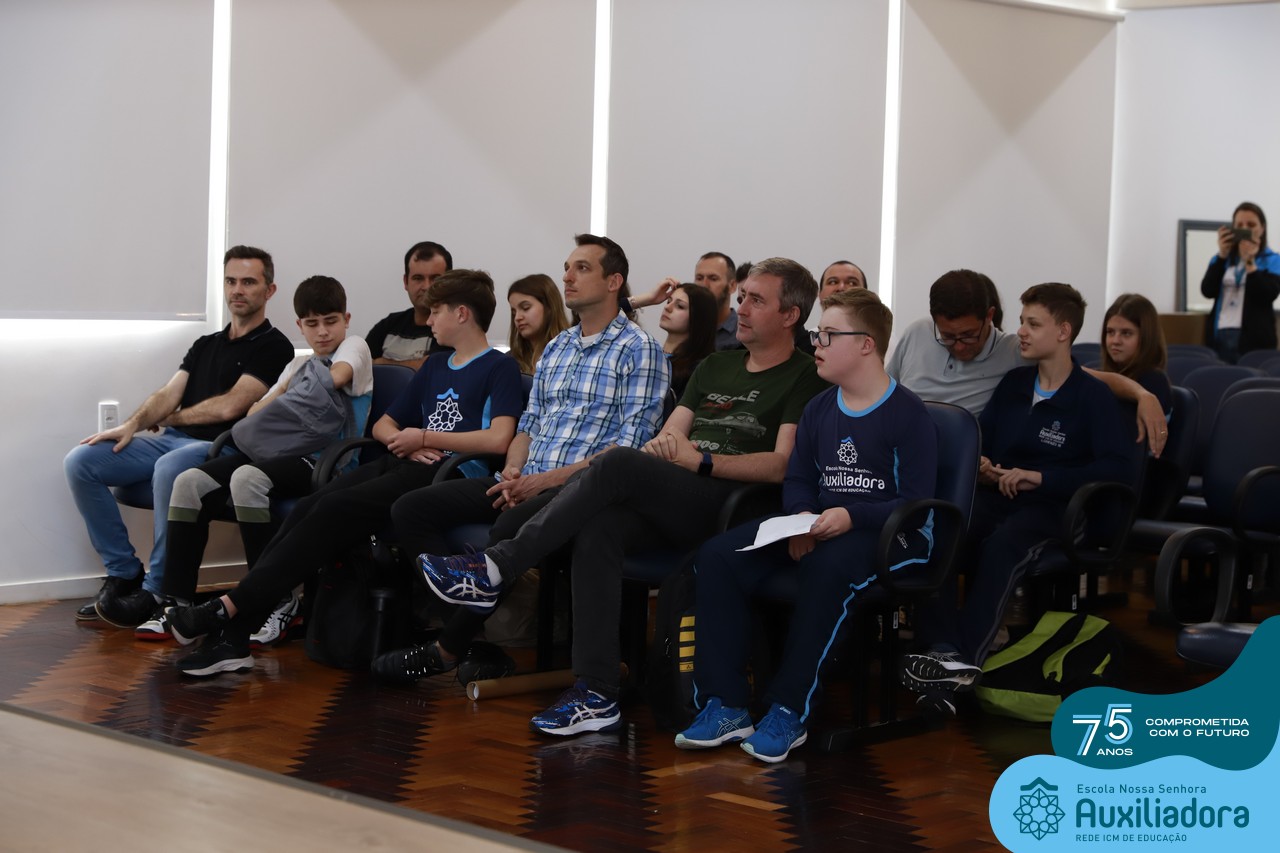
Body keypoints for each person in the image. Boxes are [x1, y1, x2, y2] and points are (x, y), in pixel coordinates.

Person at [407, 258, 828, 739]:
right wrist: (673, 453)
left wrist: (703, 461)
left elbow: (780, 464)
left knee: (617, 462)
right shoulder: (716, 365)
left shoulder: (803, 374)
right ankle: (597, 691)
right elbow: (669, 436)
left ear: (790, 315)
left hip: (733, 504)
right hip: (678, 489)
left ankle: (494, 567)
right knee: (600, 527)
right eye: (743, 296)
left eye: (756, 300)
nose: (742, 307)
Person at [164, 269, 524, 676]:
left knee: (334, 508)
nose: (427, 320)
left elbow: (499, 439)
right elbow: (384, 426)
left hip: (449, 474)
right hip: (407, 460)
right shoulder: (436, 364)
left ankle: (229, 613)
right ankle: (233, 632)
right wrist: (410, 440)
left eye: (436, 311)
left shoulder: (499, 366)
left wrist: (423, 436)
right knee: (310, 507)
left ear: (462, 314)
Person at [674, 287, 935, 762]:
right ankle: (726, 704)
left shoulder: (908, 413)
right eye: (818, 333)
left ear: (866, 344)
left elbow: (916, 503)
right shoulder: (820, 407)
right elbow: (798, 478)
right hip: (819, 525)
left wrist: (851, 515)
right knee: (718, 557)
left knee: (828, 568)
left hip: (894, 534)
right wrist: (799, 519)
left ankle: (789, 709)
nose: (816, 343)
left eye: (829, 335)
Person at [901, 284, 1130, 716]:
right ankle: (940, 649)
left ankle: (961, 665)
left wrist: (1042, 478)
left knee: (1005, 546)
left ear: (1063, 331)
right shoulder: (1015, 384)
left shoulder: (1091, 397)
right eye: (1022, 321)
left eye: (1033, 324)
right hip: (1002, 496)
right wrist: (987, 465)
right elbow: (985, 439)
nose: (1020, 331)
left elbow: (1117, 469)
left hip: (1057, 507)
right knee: (945, 528)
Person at [119, 276, 374, 640]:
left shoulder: (355, 346)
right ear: (300, 325)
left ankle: (275, 599)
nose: (322, 332)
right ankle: (177, 601)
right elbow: (255, 413)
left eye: (330, 321)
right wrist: (286, 394)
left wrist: (285, 396)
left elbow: (335, 379)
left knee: (247, 479)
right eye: (312, 323)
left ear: (346, 319)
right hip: (279, 456)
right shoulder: (298, 364)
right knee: (189, 481)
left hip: (326, 464)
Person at [64, 246, 293, 624]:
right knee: (81, 461)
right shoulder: (206, 344)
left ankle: (158, 589)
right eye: (231, 281)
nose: (237, 290)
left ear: (269, 290)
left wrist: (171, 418)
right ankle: (123, 573)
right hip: (174, 441)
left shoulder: (275, 346)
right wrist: (132, 424)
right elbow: (169, 393)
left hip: (220, 448)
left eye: (248, 282)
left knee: (171, 465)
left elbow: (231, 407)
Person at [887, 269, 1169, 455]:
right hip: (894, 451)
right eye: (948, 337)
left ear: (989, 317)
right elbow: (883, 394)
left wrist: (1141, 393)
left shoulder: (1014, 353)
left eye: (969, 336)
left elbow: (1080, 376)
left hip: (950, 463)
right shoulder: (917, 333)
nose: (959, 345)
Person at [1202, 201, 1280, 363]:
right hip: (1221, 334)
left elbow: (1268, 294)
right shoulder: (1220, 259)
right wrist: (1222, 255)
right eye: (1239, 225)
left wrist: (1250, 262)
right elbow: (1207, 290)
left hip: (1255, 340)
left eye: (1251, 225)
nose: (1245, 229)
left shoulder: (1272, 259)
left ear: (1262, 228)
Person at [367, 241, 453, 369]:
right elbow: (359, 364)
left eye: (435, 278)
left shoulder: (454, 327)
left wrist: (380, 362)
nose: (426, 286)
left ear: (449, 282)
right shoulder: (388, 325)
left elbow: (430, 368)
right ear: (406, 282)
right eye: (418, 278)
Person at [634, 252, 742, 351]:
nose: (704, 285)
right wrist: (648, 299)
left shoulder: (741, 334)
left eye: (713, 278)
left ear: (732, 286)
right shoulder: (683, 325)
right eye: (699, 278)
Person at [1099, 293, 1172, 413]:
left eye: (1126, 333)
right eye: (1110, 332)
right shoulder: (1101, 373)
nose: (1115, 341)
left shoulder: (1155, 381)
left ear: (1146, 337)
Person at [658, 282, 718, 397]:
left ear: (699, 317)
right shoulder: (651, 352)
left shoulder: (699, 370)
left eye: (680, 306)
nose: (667, 307)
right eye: (669, 301)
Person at [506, 274, 571, 375]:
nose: (517, 317)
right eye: (514, 312)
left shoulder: (572, 354)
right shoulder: (509, 361)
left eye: (526, 308)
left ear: (549, 307)